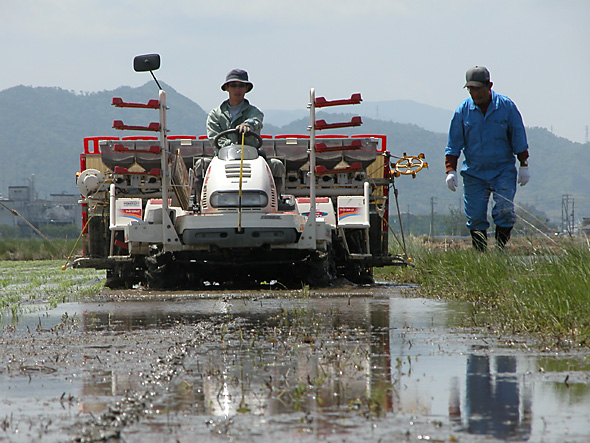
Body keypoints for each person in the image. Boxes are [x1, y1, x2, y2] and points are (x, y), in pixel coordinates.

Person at [445, 66, 530, 251]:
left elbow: (518, 135)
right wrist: (450, 170)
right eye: (471, 89)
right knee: (475, 216)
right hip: (474, 173)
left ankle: (500, 249)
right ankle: (481, 255)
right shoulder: (463, 111)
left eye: (478, 88)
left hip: (502, 170)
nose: (474, 93)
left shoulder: (506, 107)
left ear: (489, 85)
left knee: (504, 210)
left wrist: (523, 164)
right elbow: (454, 143)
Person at [202, 69, 285, 196]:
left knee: (276, 165)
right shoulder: (215, 114)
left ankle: (275, 199)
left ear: (246, 88)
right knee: (201, 165)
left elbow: (256, 120)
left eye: (241, 85)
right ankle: (201, 203)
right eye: (233, 85)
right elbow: (214, 138)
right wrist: (231, 146)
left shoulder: (254, 111)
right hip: (223, 157)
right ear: (227, 88)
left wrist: (248, 125)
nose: (237, 89)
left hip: (252, 156)